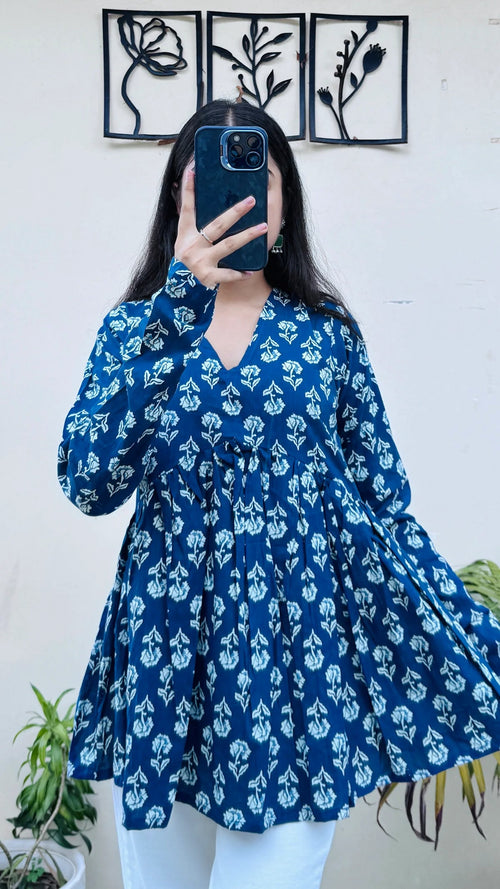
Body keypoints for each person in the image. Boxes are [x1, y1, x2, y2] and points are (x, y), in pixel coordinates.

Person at [58, 100, 500, 889]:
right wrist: (176, 308)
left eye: (258, 177)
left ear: (285, 202)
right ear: (178, 200)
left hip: (297, 678)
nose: (236, 195)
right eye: (208, 178)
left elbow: (384, 505)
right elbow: (89, 481)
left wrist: (467, 632)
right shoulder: (134, 331)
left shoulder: (327, 334)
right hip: (163, 672)